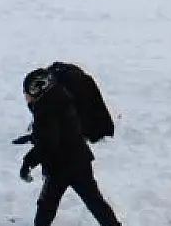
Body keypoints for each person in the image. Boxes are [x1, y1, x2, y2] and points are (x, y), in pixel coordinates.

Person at [18, 68, 122, 226]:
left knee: (47, 205)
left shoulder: (45, 111)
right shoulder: (61, 99)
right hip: (80, 160)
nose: (25, 97)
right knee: (95, 201)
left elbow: (47, 143)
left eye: (26, 93)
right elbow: (58, 132)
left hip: (60, 167)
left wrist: (28, 162)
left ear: (37, 90)